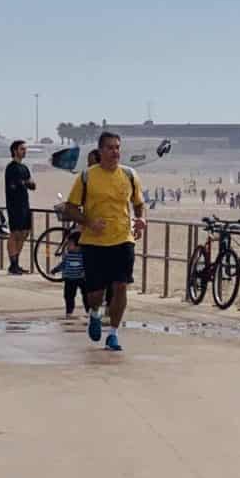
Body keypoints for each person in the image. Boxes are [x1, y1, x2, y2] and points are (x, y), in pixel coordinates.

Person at [63, 131, 145, 353]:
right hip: (94, 243)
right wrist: (88, 222)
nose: (114, 152)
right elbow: (70, 208)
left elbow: (138, 203)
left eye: (117, 147)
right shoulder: (87, 177)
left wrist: (140, 219)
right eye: (109, 147)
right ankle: (94, 314)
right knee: (95, 293)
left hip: (123, 240)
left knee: (120, 286)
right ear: (100, 151)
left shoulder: (129, 174)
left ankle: (114, 334)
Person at [3, 139, 36, 274]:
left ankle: (16, 261)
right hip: (14, 205)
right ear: (15, 151)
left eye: (25, 149)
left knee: (25, 232)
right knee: (15, 232)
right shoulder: (11, 167)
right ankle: (13, 263)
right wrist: (24, 183)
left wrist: (27, 183)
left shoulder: (24, 168)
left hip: (24, 204)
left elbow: (31, 184)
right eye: (22, 149)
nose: (24, 151)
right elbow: (14, 185)